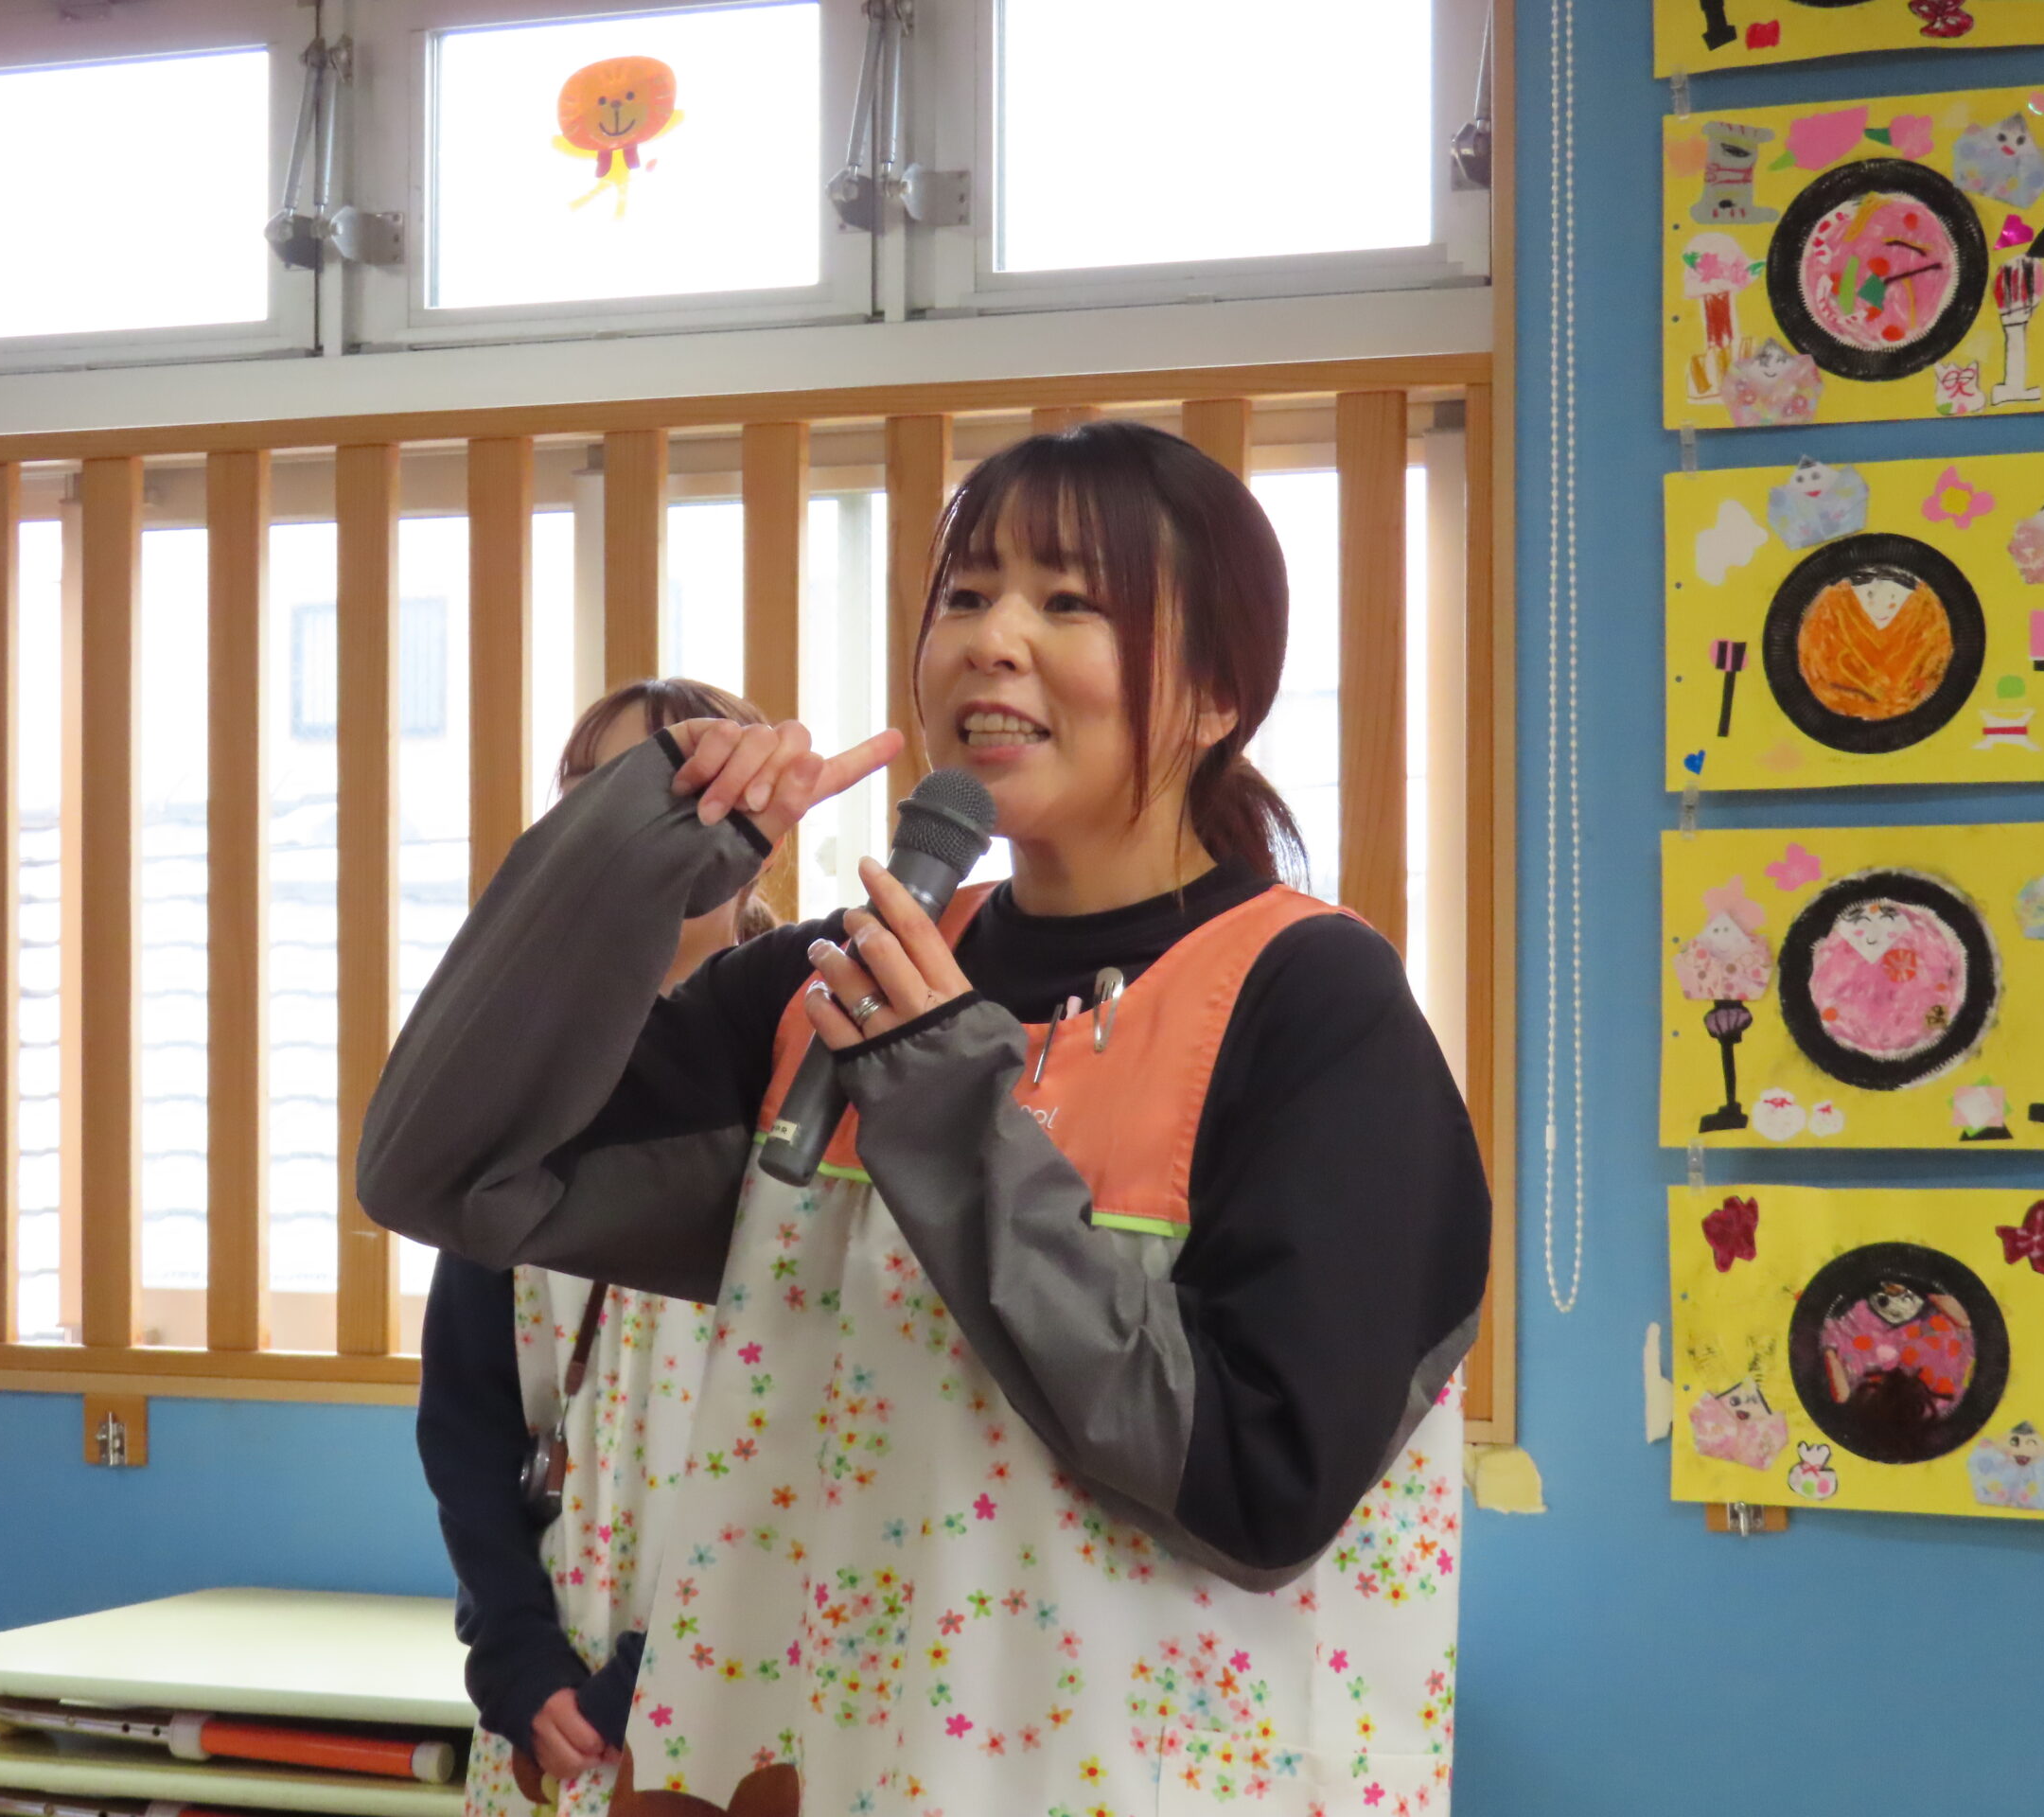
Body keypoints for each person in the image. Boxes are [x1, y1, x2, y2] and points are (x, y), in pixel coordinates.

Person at [366, 422, 1490, 1815]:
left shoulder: (1311, 1002)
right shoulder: (821, 986)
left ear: (1216, 692)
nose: (992, 640)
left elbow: (1265, 1491)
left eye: (1068, 601)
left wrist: (951, 1106)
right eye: (967, 594)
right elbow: (442, 1170)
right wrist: (633, 849)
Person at [415, 679, 779, 1816]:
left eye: (664, 796)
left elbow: (828, 1429)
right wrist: (513, 1653)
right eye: (587, 799)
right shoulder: (519, 1081)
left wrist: (655, 1669)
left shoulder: (806, 1061)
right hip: (548, 1701)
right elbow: (467, 1416)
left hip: (743, 1679)